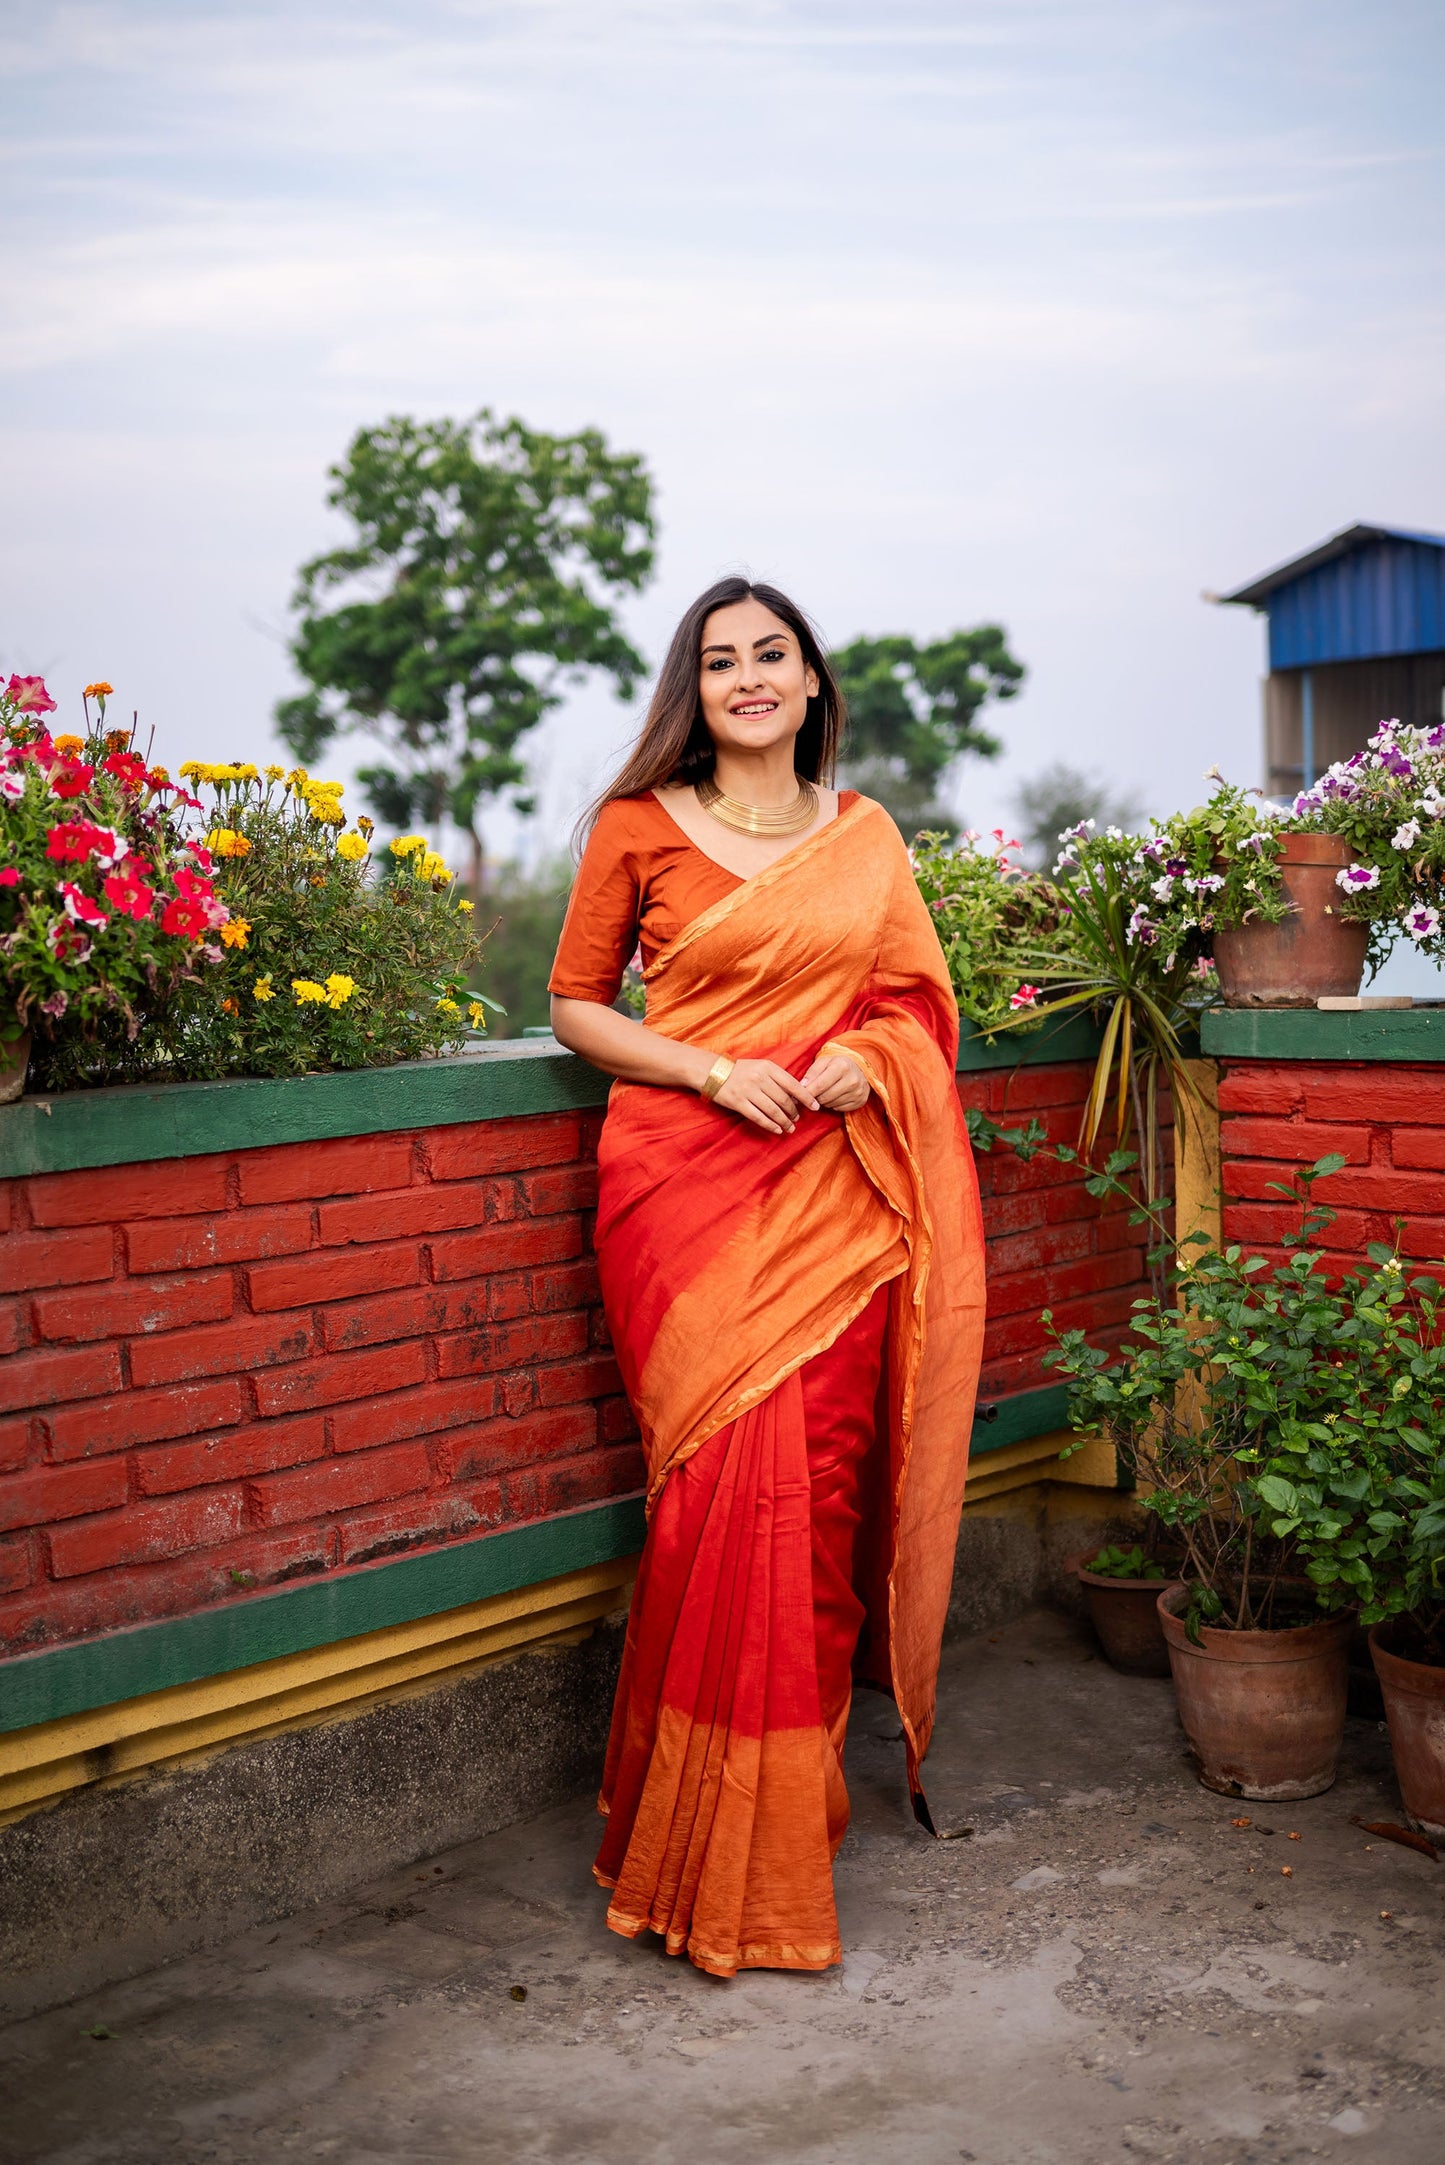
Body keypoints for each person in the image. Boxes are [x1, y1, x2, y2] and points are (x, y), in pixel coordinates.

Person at [548, 575, 986, 1979]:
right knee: (711, 1514)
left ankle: (778, 1838)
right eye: (720, 658)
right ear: (697, 688)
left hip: (835, 1201)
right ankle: (686, 1840)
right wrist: (710, 1069)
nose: (746, 677)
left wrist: (874, 1054)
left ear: (808, 684)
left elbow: (916, 1001)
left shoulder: (863, 838)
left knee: (816, 1510)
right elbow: (574, 1004)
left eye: (770, 654)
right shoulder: (634, 828)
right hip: (683, 1191)